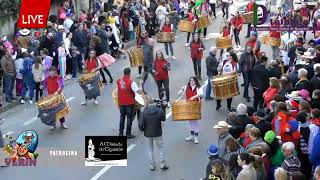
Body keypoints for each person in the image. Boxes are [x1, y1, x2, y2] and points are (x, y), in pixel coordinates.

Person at [138, 96, 169, 171]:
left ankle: (152, 165)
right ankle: (162, 164)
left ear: (146, 103)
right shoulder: (159, 110)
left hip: (148, 133)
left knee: (150, 149)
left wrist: (143, 130)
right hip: (157, 132)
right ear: (153, 102)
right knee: (160, 148)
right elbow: (163, 118)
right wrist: (163, 109)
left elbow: (140, 125)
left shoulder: (144, 112)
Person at [117, 68, 143, 138]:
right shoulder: (132, 82)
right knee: (129, 118)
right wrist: (140, 84)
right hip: (129, 102)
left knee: (122, 117)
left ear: (124, 73)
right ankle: (128, 134)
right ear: (130, 73)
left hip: (121, 102)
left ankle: (120, 133)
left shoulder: (119, 81)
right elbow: (139, 92)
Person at [178, 76, 203, 144]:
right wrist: (181, 90)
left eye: (193, 80)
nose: (191, 82)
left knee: (195, 122)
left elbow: (201, 94)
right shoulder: (186, 87)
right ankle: (192, 135)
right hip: (188, 106)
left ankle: (196, 137)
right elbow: (179, 94)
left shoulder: (198, 88)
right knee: (190, 122)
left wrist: (194, 97)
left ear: (195, 81)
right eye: (190, 80)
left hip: (195, 106)